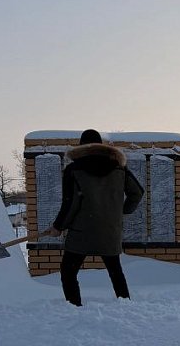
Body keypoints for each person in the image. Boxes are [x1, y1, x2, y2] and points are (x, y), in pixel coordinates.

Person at [43, 129, 144, 307]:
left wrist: (58, 226)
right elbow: (137, 193)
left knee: (68, 272)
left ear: (81, 146)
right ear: (101, 146)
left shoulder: (73, 169)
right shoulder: (119, 168)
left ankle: (74, 306)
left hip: (81, 231)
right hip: (109, 230)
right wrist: (121, 211)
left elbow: (70, 203)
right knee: (115, 271)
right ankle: (125, 305)